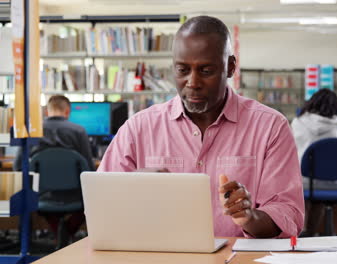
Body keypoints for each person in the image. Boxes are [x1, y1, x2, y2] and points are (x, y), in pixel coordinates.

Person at [98, 16, 305, 238]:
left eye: (206, 71)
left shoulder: (270, 127)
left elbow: (288, 213)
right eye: (182, 70)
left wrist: (249, 217)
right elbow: (100, 204)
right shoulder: (138, 128)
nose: (193, 82)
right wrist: (132, 185)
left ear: (230, 67)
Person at [14, 95, 95, 245]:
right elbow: (89, 170)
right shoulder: (79, 131)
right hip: (75, 196)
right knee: (89, 201)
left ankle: (58, 232)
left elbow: (18, 165)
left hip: (41, 196)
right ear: (67, 111)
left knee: (36, 198)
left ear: (46, 112)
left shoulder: (33, 131)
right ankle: (66, 232)